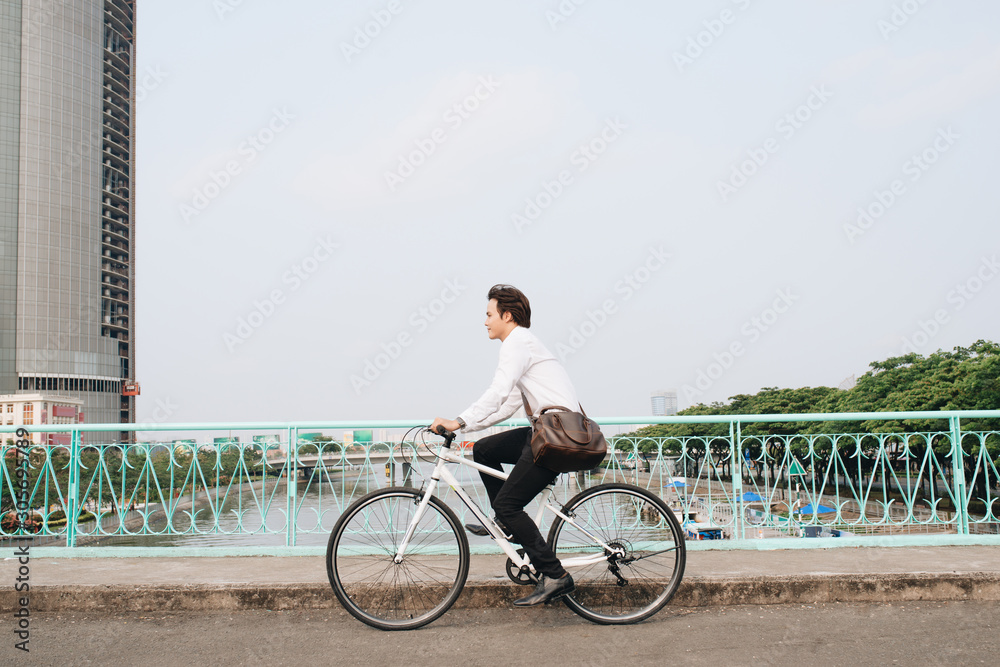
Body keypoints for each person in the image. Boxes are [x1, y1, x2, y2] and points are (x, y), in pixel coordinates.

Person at [430, 284, 581, 607]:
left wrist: (457, 420)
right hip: (546, 431)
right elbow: (507, 404)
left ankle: (555, 575)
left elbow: (498, 391)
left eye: (488, 314)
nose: (485, 322)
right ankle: (507, 524)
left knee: (508, 504)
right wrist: (465, 424)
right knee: (484, 450)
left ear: (507, 316)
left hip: (556, 436)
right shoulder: (525, 346)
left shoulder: (517, 342)